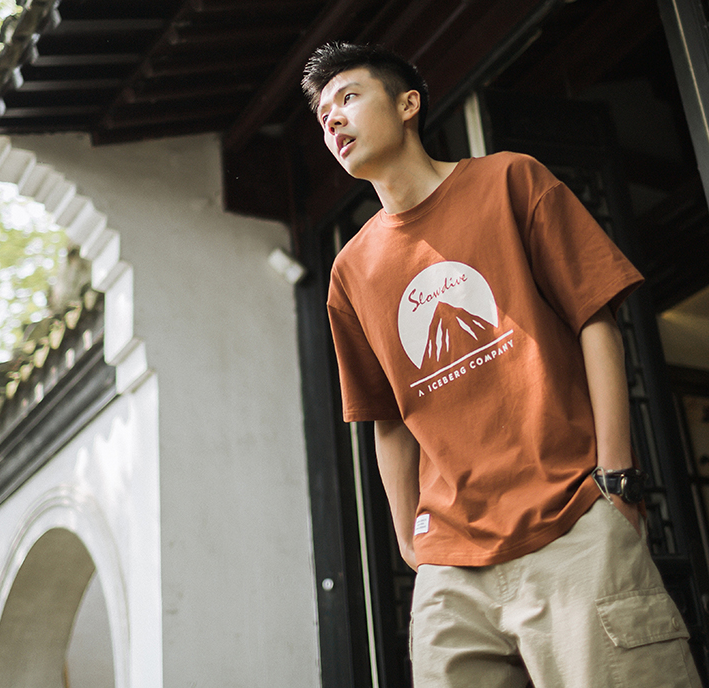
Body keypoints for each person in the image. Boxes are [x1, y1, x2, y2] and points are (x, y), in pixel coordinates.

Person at [301, 41, 703, 687]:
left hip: (572, 522)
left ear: (408, 104)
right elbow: (387, 419)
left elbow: (596, 322)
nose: (335, 121)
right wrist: (410, 542)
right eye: (324, 117)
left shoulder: (510, 180)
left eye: (348, 97)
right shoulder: (352, 271)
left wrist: (618, 480)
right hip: (450, 566)